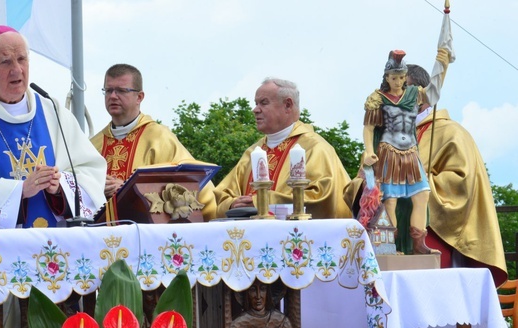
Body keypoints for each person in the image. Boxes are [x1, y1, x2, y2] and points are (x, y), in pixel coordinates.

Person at [0, 26, 106, 230]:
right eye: (5, 61)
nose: (17, 70)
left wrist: (61, 186)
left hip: (59, 244)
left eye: (22, 59)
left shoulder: (54, 111)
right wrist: (20, 190)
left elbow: (91, 171)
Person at [406, 64, 507, 285]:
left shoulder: (452, 133)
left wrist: (409, 185)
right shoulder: (387, 136)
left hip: (434, 235)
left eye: (401, 89)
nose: (392, 98)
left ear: (421, 94)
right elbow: (359, 183)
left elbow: (461, 184)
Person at [90, 63, 216, 220]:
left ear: (140, 97)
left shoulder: (159, 137)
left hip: (148, 236)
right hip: (101, 237)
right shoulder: (92, 145)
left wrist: (129, 191)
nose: (113, 96)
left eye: (121, 90)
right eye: (108, 90)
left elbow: (194, 189)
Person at [213, 78, 351, 219]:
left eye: (264, 103)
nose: (255, 110)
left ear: (288, 105)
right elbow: (223, 195)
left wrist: (262, 201)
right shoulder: (252, 152)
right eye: (256, 103)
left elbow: (324, 199)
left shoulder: (316, 148)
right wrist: (232, 204)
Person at [356, 49, 450, 254]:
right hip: (389, 152)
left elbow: (434, 92)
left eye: (400, 77)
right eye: (394, 78)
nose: (398, 82)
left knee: (422, 194)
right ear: (387, 77)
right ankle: (391, 245)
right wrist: (369, 151)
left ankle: (418, 244)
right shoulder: (377, 98)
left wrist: (443, 66)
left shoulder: (413, 93)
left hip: (411, 153)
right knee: (390, 199)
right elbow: (369, 128)